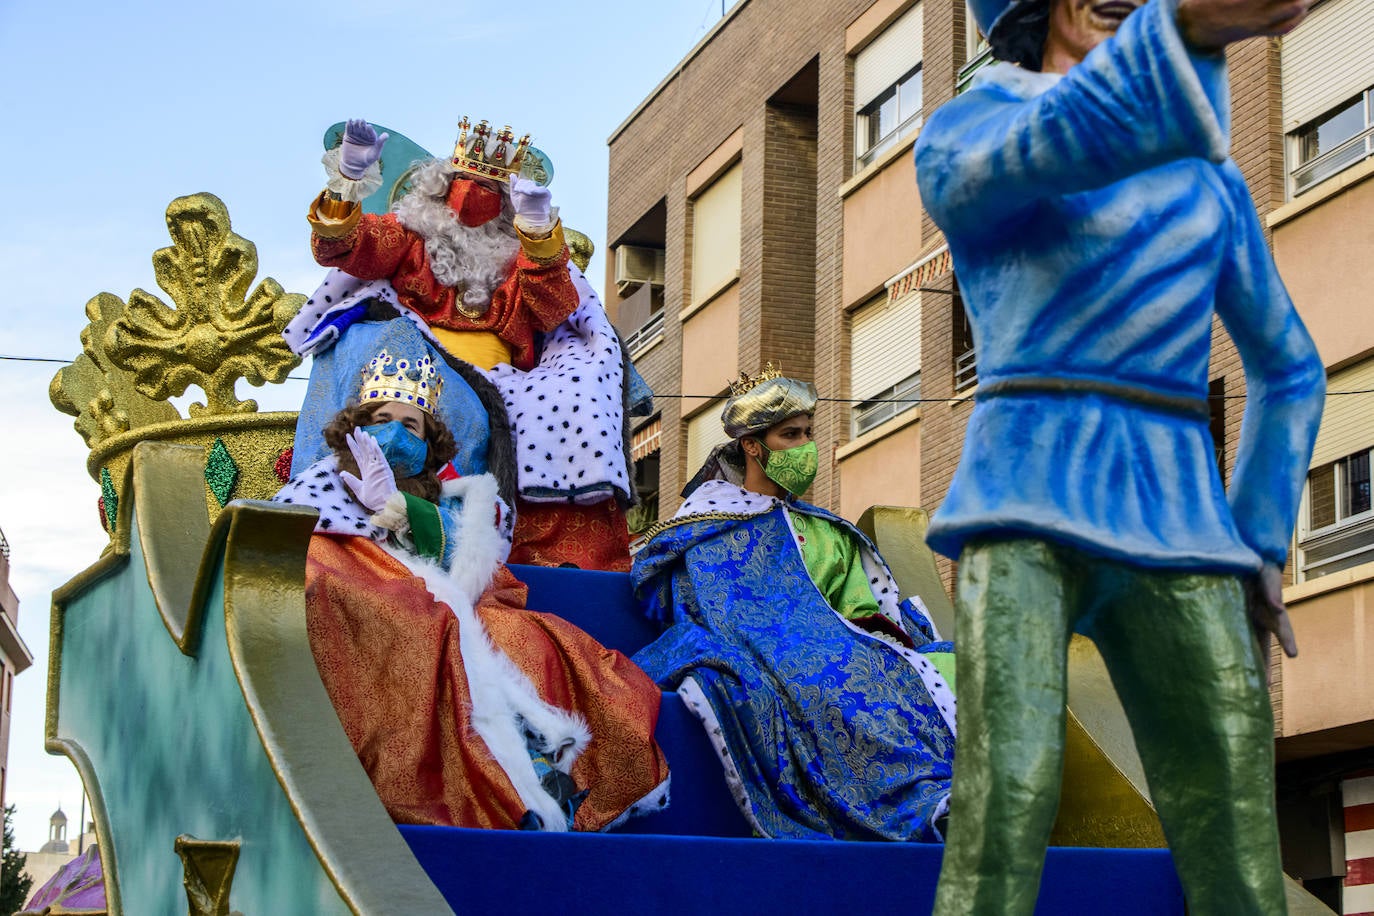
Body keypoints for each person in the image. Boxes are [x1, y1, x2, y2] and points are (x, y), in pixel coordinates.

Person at [914, 0, 1322, 911]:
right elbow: (1053, 146)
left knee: (1234, 810)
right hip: (1020, 504)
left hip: (1183, 527)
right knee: (1009, 789)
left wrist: (1259, 541)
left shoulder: (1213, 183)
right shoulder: (970, 130)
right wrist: (1180, 31)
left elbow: (1291, 369)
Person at [272, 327, 669, 832]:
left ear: (428, 443)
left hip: (459, 608)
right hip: (380, 609)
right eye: (382, 420)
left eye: (410, 426)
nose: (395, 433)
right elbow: (300, 556)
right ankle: (504, 789)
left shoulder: (453, 498)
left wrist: (404, 509)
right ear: (358, 426)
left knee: (530, 639)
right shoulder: (321, 482)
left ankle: (543, 776)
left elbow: (482, 575)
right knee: (421, 628)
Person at [286, 116, 638, 572]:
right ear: (439, 189)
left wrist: (538, 234)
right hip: (417, 367)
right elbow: (345, 247)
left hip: (505, 380)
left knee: (567, 403)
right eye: (462, 184)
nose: (473, 197)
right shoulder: (411, 235)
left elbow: (553, 308)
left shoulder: (519, 257)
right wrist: (346, 183)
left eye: (488, 190)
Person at [630, 369, 956, 841]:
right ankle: (916, 805)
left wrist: (870, 633)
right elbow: (704, 605)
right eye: (791, 435)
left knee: (939, 665)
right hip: (770, 652)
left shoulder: (827, 529)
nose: (806, 446)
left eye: (808, 433)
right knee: (828, 677)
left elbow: (864, 607)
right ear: (752, 446)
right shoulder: (703, 529)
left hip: (847, 643)